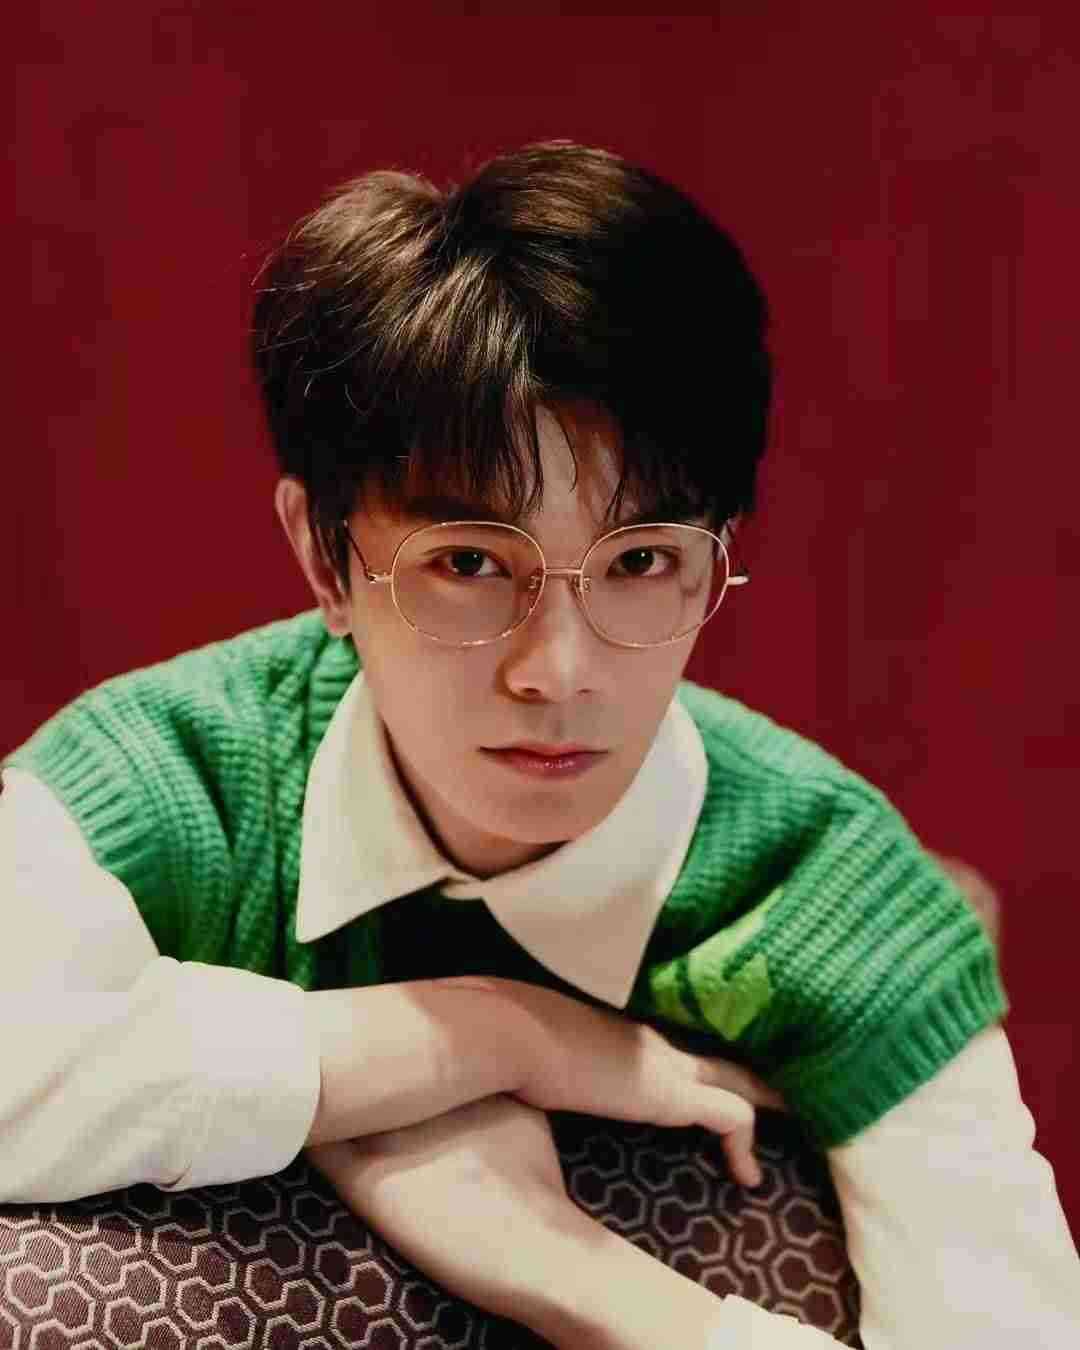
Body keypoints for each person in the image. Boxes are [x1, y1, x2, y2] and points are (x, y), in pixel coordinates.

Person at [2, 141, 1076, 1348]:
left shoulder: (835, 896)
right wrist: (496, 1033)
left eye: (641, 562)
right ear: (323, 558)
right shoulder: (171, 782)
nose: (557, 671)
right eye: (468, 562)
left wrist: (579, 1277)